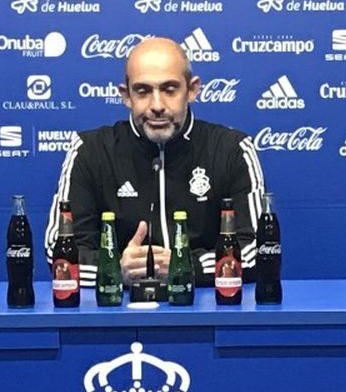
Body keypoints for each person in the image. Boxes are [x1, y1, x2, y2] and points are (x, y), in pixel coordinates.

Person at [45, 36, 266, 288]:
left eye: (170, 89)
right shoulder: (90, 150)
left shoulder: (231, 149)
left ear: (192, 90)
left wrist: (183, 265)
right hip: (117, 317)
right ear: (126, 96)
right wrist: (115, 268)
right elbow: (58, 254)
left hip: (206, 312)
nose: (157, 105)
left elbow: (258, 250)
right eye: (143, 91)